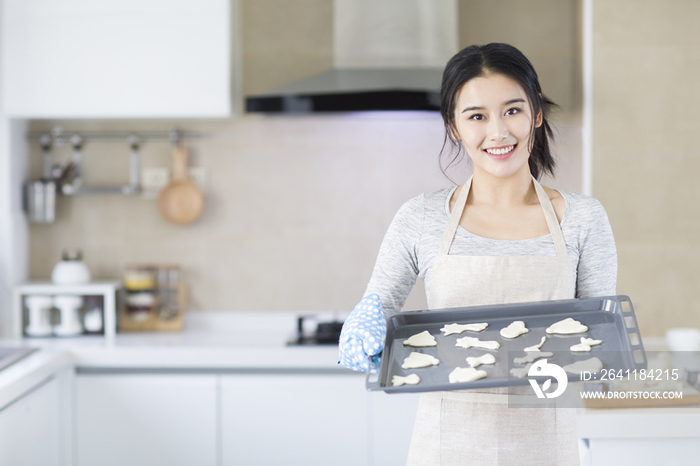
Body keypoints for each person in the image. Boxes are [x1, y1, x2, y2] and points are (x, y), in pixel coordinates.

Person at [338, 43, 617, 465]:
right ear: (454, 126)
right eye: (476, 117)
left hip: (544, 441)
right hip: (447, 444)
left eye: (512, 110)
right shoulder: (422, 217)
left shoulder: (583, 219)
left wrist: (603, 360)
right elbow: (378, 304)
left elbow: (598, 345)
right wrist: (364, 330)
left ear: (536, 114)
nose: (498, 132)